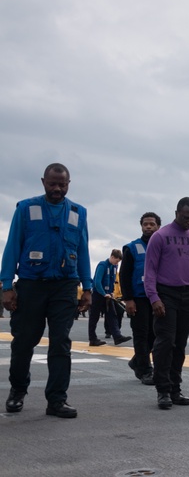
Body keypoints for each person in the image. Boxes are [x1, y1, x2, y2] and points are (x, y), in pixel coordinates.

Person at [2, 163, 92, 418]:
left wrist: (87, 287)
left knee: (60, 343)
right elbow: (12, 246)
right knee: (24, 342)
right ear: (43, 182)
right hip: (31, 284)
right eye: (52, 183)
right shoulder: (26, 209)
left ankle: (57, 400)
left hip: (64, 286)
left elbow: (83, 250)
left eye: (62, 184)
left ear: (68, 184)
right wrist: (7, 285)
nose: (57, 188)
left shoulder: (78, 212)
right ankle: (18, 391)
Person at [146, 197, 189, 410]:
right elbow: (149, 272)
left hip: (188, 294)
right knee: (165, 342)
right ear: (177, 213)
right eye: (186, 218)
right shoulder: (160, 237)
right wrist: (154, 298)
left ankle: (175, 388)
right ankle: (163, 390)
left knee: (180, 343)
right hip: (166, 293)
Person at [121, 212, 160, 386]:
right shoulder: (132, 248)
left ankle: (137, 360)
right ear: (141, 226)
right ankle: (145, 370)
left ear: (158, 226)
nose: (149, 227)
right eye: (145, 224)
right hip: (138, 297)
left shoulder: (163, 247)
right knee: (141, 334)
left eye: (152, 224)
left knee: (155, 333)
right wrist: (128, 299)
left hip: (157, 298)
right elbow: (124, 275)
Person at [89, 250, 131, 346]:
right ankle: (92, 338)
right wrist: (104, 293)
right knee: (94, 317)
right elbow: (97, 282)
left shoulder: (114, 267)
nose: (117, 263)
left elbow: (112, 281)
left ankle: (117, 336)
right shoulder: (102, 265)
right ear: (112, 257)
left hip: (108, 295)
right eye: (116, 261)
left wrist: (111, 292)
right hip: (98, 294)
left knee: (112, 315)